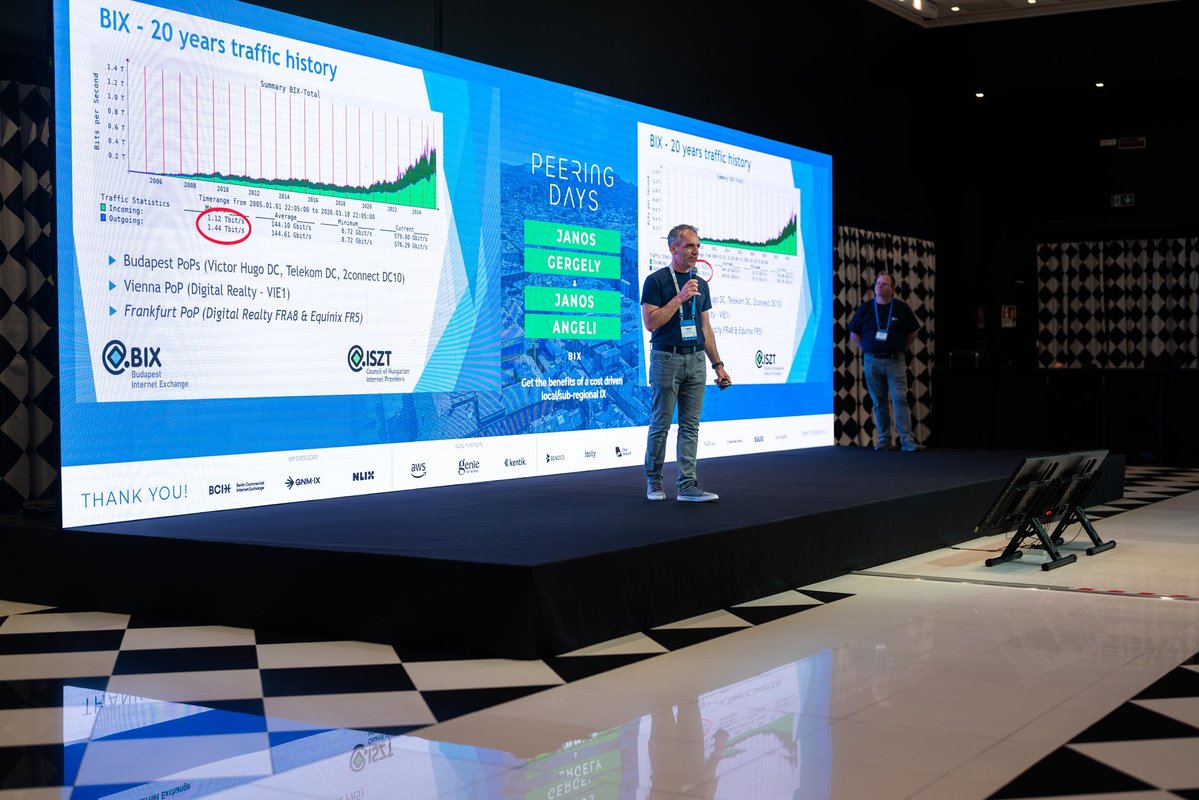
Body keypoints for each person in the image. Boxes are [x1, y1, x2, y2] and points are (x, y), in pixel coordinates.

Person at [641, 224, 732, 501]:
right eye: (690, 245)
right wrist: (679, 298)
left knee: (691, 426)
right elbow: (651, 323)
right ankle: (654, 482)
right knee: (661, 424)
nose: (696, 251)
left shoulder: (701, 284)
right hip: (666, 358)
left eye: (698, 246)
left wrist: (718, 365)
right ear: (673, 248)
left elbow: (706, 329)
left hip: (695, 360)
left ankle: (687, 485)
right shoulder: (656, 281)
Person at [848, 272, 923, 452]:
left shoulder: (901, 308)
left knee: (899, 399)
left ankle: (906, 440)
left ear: (892, 289)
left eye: (884, 284)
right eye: (878, 283)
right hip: (872, 362)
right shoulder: (866, 308)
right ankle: (884, 439)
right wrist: (867, 350)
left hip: (895, 362)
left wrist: (899, 348)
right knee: (878, 401)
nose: (880, 286)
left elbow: (913, 333)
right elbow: (854, 334)